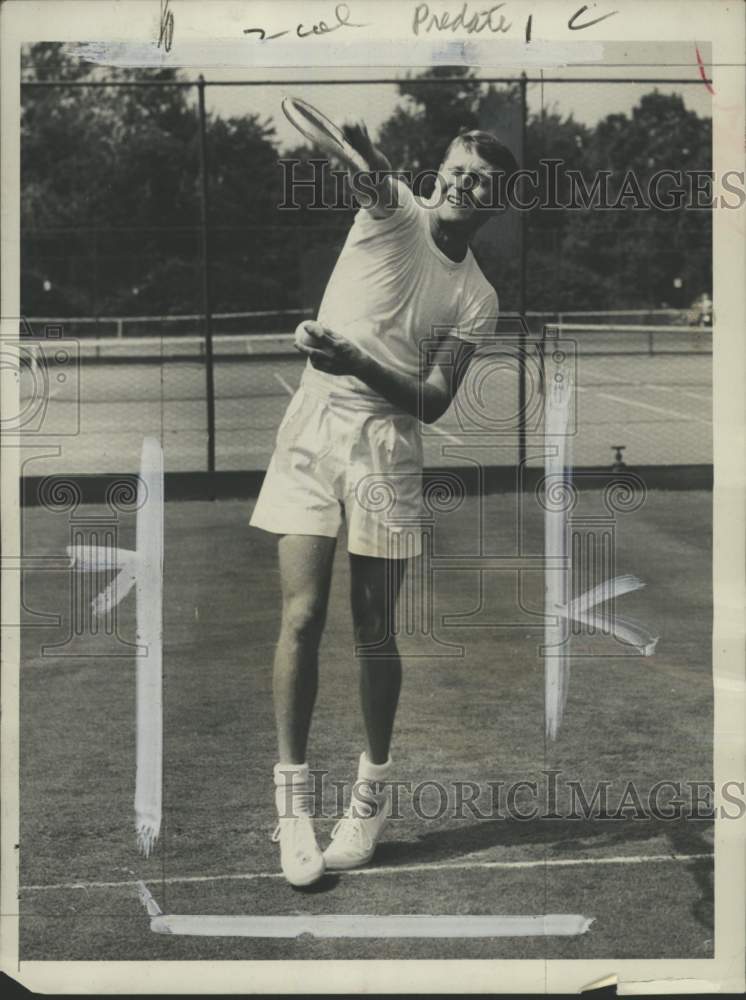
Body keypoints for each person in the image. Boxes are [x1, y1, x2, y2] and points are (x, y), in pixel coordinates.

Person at [250, 123, 518, 887]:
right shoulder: (392, 209)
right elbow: (372, 178)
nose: (466, 184)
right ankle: (293, 809)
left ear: (495, 204)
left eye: (483, 181)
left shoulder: (478, 298)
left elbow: (433, 401)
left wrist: (356, 359)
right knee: (301, 616)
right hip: (313, 427)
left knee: (374, 630)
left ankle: (367, 803)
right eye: (460, 168)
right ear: (439, 170)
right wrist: (366, 162)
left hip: (389, 453)